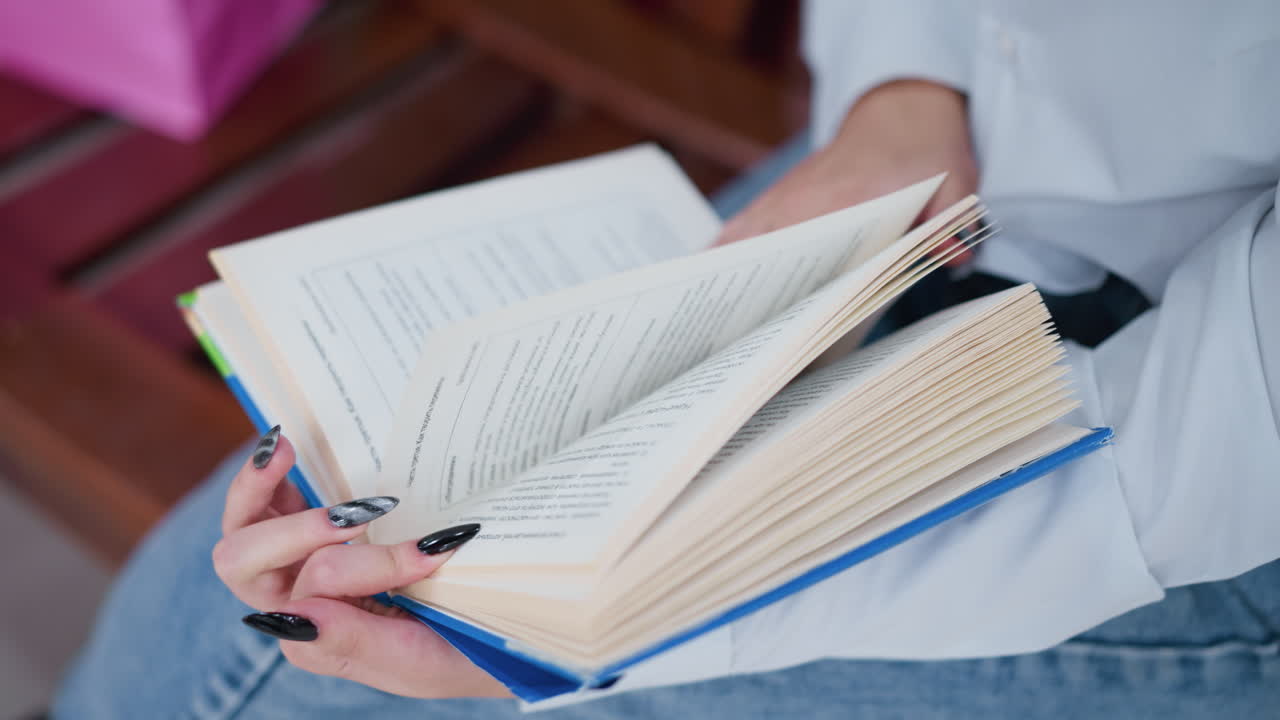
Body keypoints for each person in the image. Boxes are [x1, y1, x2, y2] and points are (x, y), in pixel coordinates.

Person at [54, 1, 1280, 717]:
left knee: (283, 677)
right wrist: (899, 96)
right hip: (929, 189)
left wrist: (584, 637)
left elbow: (1188, 460)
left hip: (1202, 495)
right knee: (214, 583)